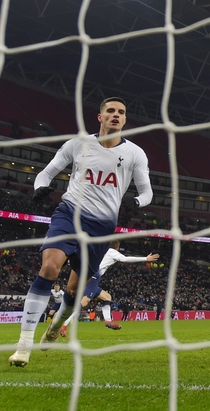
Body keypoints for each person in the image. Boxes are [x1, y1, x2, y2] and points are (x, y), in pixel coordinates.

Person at [9, 97, 153, 367]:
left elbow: (147, 192)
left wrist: (136, 202)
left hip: (101, 229)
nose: (116, 115)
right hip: (69, 214)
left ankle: (54, 329)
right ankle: (24, 345)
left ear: (124, 120)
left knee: (75, 291)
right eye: (110, 111)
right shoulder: (77, 144)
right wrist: (41, 187)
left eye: (121, 112)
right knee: (50, 268)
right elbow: (47, 172)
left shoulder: (135, 153)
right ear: (100, 117)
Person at [60, 240, 159, 337]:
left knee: (107, 297)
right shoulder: (112, 252)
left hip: (87, 275)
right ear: (117, 248)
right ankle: (64, 324)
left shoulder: (101, 250)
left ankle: (108, 320)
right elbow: (125, 259)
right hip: (93, 277)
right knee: (84, 302)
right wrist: (145, 259)